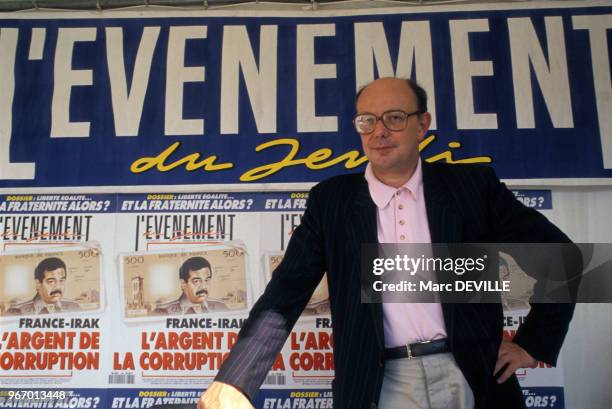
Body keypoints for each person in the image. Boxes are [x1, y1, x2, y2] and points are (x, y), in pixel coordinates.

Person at [198, 78, 575, 409]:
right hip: (378, 384)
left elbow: (562, 259)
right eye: (367, 120)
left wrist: (532, 342)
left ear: (422, 124)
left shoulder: (472, 188)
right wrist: (235, 380)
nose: (379, 131)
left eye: (395, 117)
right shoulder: (332, 202)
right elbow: (284, 295)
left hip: (471, 375)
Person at [153, 256, 228, 315]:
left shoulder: (221, 307)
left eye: (207, 280)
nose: (204, 286)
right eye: (196, 281)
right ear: (183, 284)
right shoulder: (163, 312)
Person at [7, 257, 81, 315]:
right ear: (38, 284)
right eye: (51, 281)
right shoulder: (17, 311)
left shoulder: (74, 307)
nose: (58, 287)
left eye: (61, 281)